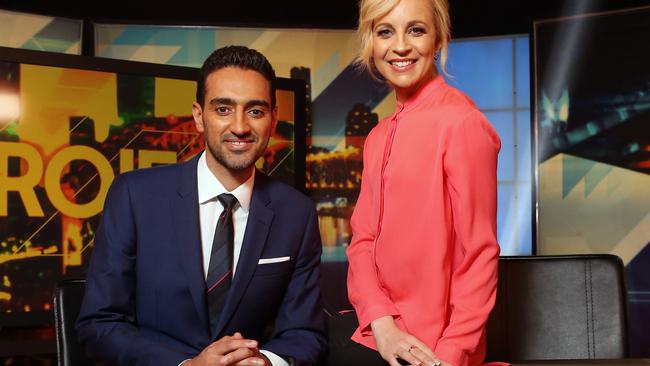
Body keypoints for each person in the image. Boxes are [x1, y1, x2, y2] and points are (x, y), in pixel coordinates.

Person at [77, 45, 326, 366]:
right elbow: (99, 325)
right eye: (223, 109)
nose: (239, 126)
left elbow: (306, 333)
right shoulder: (135, 196)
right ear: (198, 116)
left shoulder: (297, 213)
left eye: (255, 111)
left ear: (273, 119)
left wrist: (266, 362)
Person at [346, 0, 502, 365]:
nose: (400, 46)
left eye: (416, 29)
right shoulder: (377, 136)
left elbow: (478, 253)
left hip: (434, 350)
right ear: (371, 41)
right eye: (385, 31)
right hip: (378, 336)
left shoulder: (461, 122)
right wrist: (382, 325)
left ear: (438, 40)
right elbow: (362, 241)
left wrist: (451, 354)